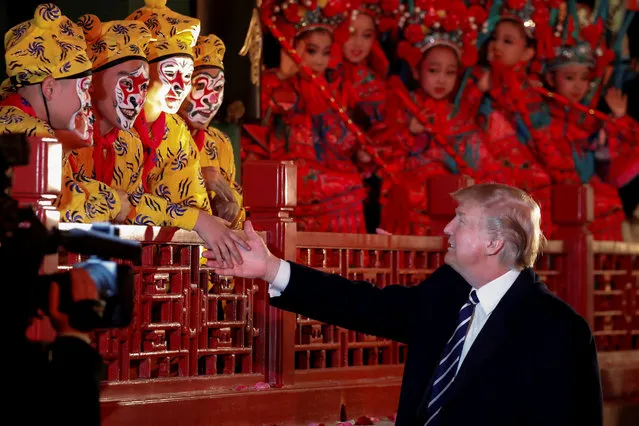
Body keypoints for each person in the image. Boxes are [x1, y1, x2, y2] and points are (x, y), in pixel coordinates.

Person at [204, 182, 603, 426]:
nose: (446, 228)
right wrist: (271, 268)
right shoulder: (450, 290)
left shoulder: (558, 330)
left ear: (494, 243)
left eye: (461, 219)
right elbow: (365, 306)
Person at [0, 3, 126, 224]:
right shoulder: (32, 133)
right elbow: (61, 209)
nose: (89, 99)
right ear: (49, 88)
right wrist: (114, 203)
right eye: (85, 87)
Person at [178, 34, 246, 229]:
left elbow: (237, 203)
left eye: (218, 88)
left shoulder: (220, 143)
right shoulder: (160, 135)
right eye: (200, 85)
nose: (211, 98)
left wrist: (230, 207)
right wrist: (198, 180)